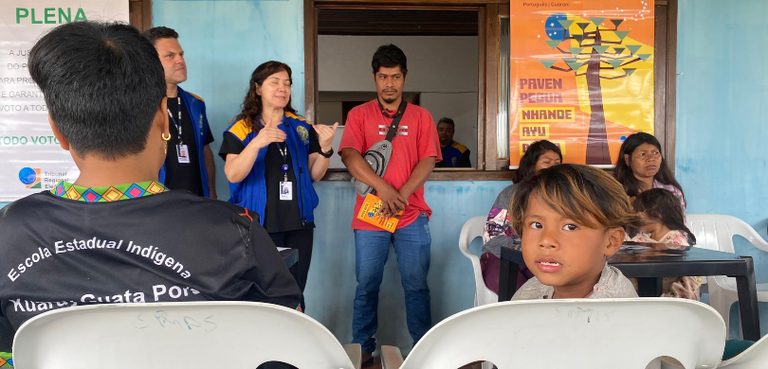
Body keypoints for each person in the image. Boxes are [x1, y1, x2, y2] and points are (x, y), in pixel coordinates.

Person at [0, 22, 301, 356]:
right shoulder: (235, 231)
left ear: (57, 131)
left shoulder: (8, 231)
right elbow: (287, 343)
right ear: (163, 117)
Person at [339, 44, 441, 364]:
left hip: (411, 215)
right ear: (374, 77)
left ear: (404, 77)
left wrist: (402, 195)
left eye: (395, 77)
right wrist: (384, 189)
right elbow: (350, 156)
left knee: (417, 285)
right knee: (367, 284)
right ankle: (362, 347)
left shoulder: (421, 116)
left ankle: (422, 348)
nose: (389, 84)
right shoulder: (359, 114)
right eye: (383, 77)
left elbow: (428, 160)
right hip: (371, 214)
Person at [219, 61, 337, 311]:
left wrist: (326, 149)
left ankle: (294, 334)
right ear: (258, 88)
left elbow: (315, 174)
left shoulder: (301, 127)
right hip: (260, 224)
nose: (282, 88)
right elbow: (233, 174)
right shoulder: (241, 129)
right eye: (274, 82)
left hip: (299, 223)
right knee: (263, 293)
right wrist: (256, 143)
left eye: (287, 83)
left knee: (296, 290)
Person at [509, 164, 642, 301]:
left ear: (611, 241)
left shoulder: (615, 309)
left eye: (570, 227)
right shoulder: (532, 290)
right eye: (537, 225)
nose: (546, 241)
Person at [143, 26, 217, 198]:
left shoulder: (196, 104)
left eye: (181, 54)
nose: (180, 61)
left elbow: (204, 149)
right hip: (156, 202)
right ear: (150, 62)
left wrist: (211, 191)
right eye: (170, 56)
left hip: (196, 201)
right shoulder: (138, 105)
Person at [481, 140, 562, 294]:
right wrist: (520, 251)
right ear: (532, 165)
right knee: (513, 289)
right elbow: (492, 235)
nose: (553, 167)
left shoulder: (563, 198)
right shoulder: (510, 194)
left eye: (557, 163)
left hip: (542, 257)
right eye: (547, 162)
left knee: (548, 288)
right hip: (503, 255)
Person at [628, 189, 703, 300]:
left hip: (669, 302)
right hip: (641, 298)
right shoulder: (640, 240)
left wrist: (663, 301)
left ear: (658, 214)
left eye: (641, 211)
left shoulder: (678, 244)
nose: (637, 215)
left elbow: (689, 280)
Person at [614, 132, 685, 211]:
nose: (651, 159)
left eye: (655, 153)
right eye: (643, 154)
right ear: (627, 160)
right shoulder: (617, 194)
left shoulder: (672, 191)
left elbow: (679, 219)